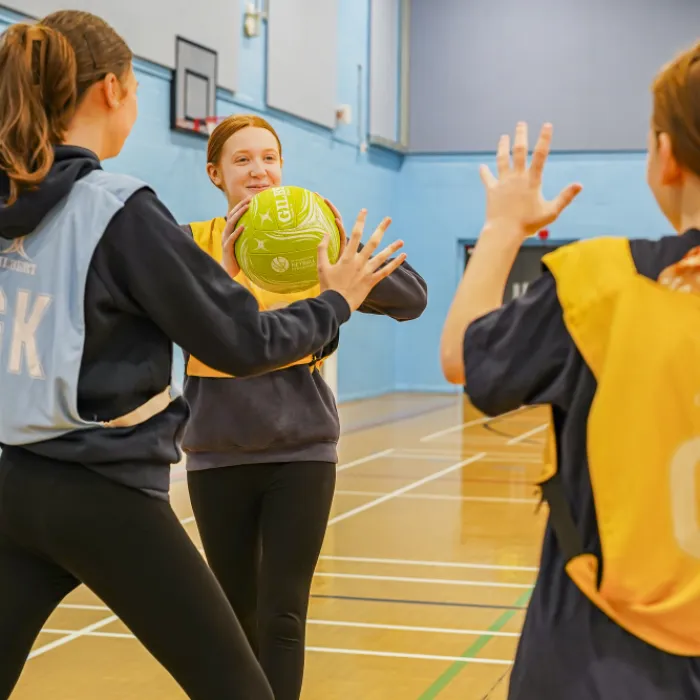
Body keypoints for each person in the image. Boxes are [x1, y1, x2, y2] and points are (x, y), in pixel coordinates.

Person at [0, 12, 406, 700]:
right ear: (113, 91)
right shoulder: (118, 206)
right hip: (105, 493)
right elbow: (242, 341)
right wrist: (332, 302)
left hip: (14, 483)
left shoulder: (14, 200)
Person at [439, 43, 700, 700]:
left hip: (601, 652)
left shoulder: (603, 284)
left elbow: (463, 358)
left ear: (666, 156)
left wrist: (503, 228)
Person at [179, 114, 427, 700]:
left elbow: (412, 299)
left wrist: (343, 254)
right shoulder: (190, 243)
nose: (259, 170)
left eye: (269, 157)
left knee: (283, 615)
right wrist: (218, 279)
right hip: (217, 454)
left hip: (302, 452)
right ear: (216, 173)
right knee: (233, 619)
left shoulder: (321, 241)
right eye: (242, 160)